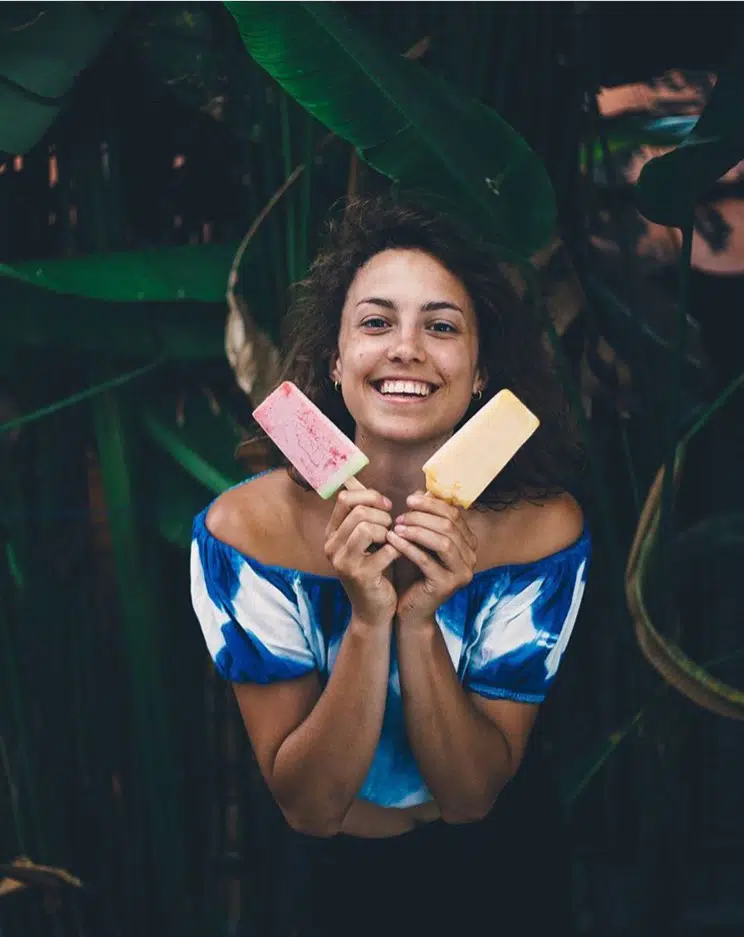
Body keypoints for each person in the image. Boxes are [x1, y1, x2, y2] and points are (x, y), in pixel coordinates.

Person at [190, 196, 591, 937]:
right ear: (337, 361)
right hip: (332, 883)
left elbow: (472, 798)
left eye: (441, 326)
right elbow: (309, 807)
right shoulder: (246, 533)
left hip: (504, 870)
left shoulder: (542, 529)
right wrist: (368, 621)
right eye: (377, 322)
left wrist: (418, 616)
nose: (406, 347)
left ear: (478, 373)